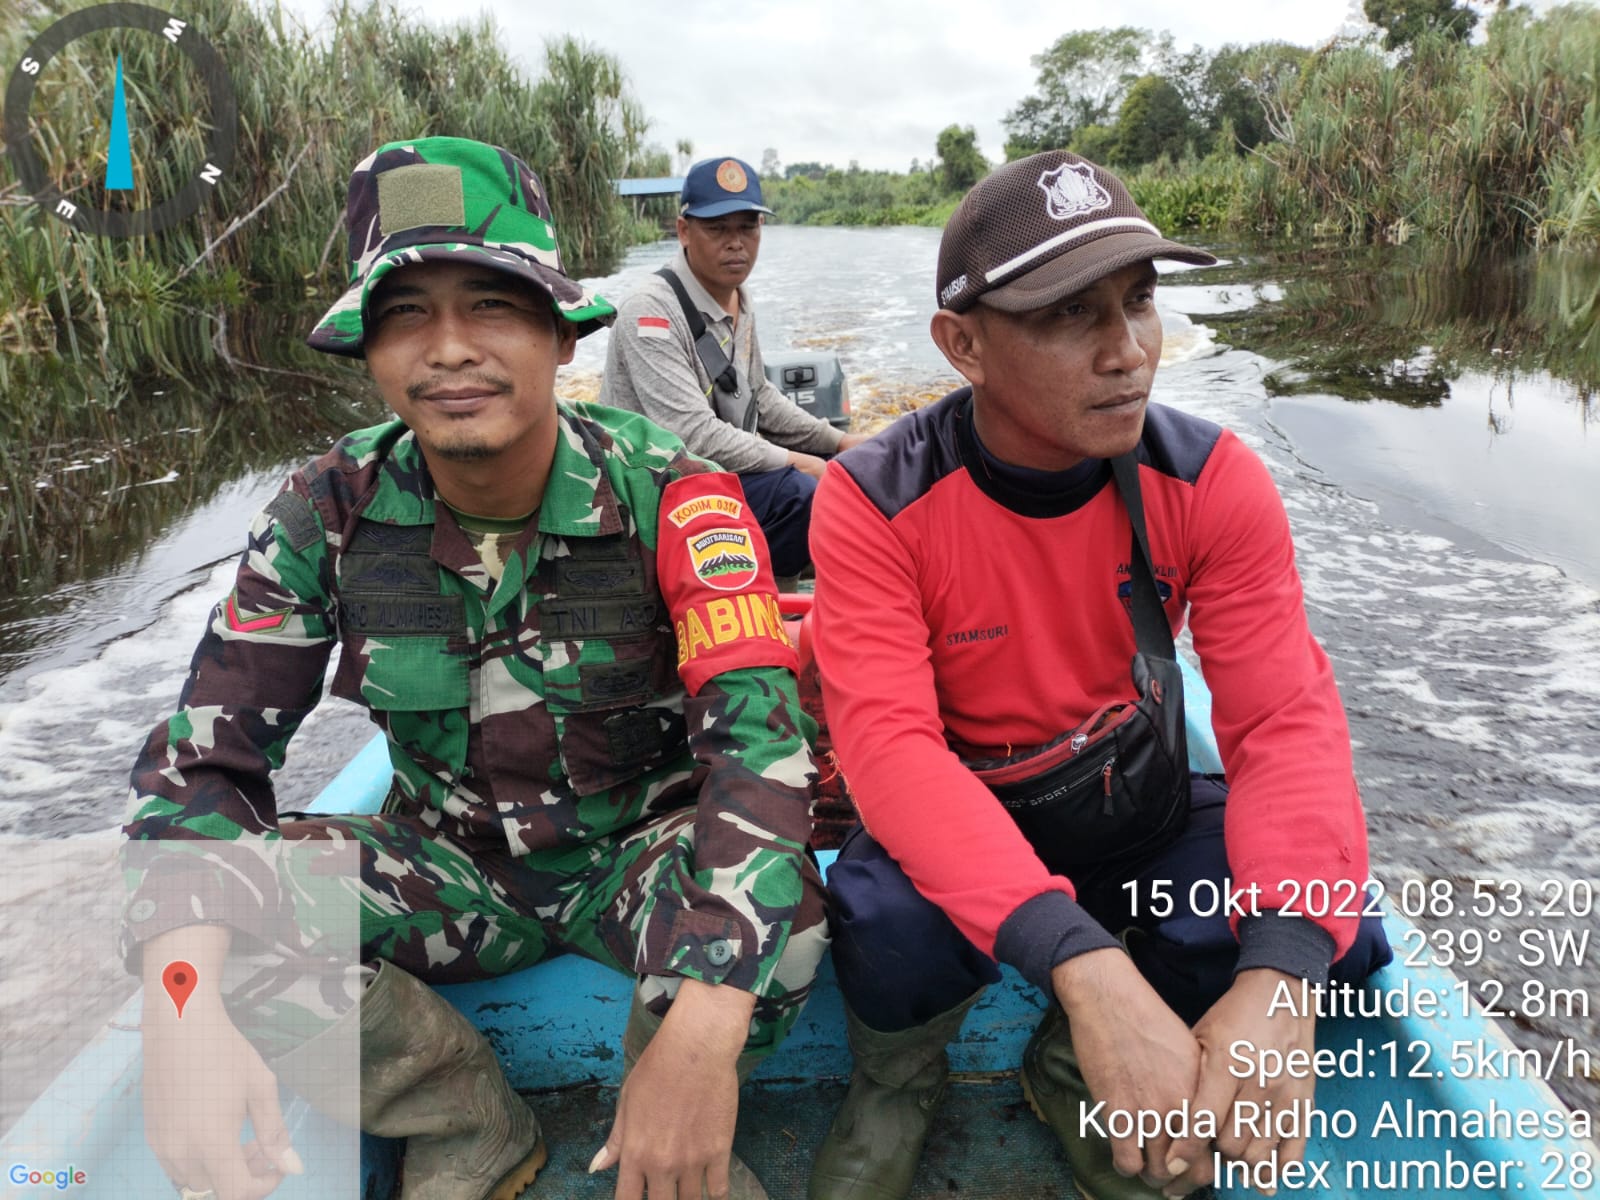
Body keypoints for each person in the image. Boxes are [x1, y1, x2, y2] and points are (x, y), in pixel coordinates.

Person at [120, 136, 828, 1200]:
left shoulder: (675, 495)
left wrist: (702, 1034)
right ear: (370, 350)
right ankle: (464, 1120)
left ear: (558, 334)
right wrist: (177, 1008)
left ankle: (666, 1127)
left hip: (635, 854)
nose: (449, 349)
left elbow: (761, 750)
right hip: (438, 862)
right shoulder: (329, 507)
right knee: (192, 916)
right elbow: (203, 767)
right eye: (407, 313)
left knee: (784, 921)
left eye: (491, 305)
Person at [804, 151, 1391, 1200]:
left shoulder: (1211, 480)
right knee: (883, 917)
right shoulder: (873, 501)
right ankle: (900, 1077)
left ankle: (1070, 1061)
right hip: (969, 802)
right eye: (1071, 315)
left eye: (1139, 302)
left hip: (1134, 802)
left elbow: (1282, 727)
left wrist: (1280, 973)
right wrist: (1083, 966)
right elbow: (890, 754)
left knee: (1329, 932)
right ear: (963, 345)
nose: (1128, 354)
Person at [600, 155, 867, 578]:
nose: (736, 242)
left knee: (857, 468)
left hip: (709, 474)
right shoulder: (650, 313)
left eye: (747, 227)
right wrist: (800, 463)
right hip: (652, 491)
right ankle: (763, 601)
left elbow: (758, 394)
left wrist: (836, 443)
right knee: (799, 494)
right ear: (684, 230)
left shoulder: (737, 297)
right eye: (717, 228)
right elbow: (691, 435)